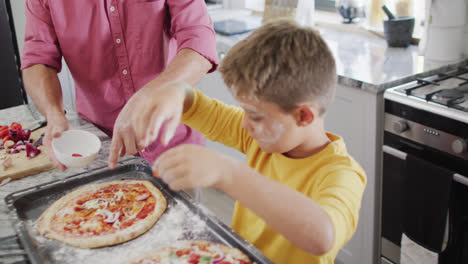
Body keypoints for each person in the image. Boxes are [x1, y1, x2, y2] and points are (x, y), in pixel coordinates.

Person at [121, 19, 366, 263]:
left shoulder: (341, 174)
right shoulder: (262, 138)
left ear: (303, 116)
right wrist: (175, 92)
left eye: (255, 116)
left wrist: (228, 173)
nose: (245, 124)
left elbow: (322, 237)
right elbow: (199, 107)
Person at [20, 0, 218, 171]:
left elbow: (199, 40)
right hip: (102, 146)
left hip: (174, 140)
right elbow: (37, 58)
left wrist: (150, 96)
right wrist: (53, 113)